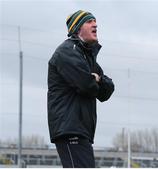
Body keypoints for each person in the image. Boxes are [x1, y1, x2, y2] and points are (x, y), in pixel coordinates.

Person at [47, 10, 114, 168]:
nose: (95, 24)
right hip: (70, 129)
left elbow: (107, 90)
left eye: (95, 21)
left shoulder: (86, 56)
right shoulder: (67, 52)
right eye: (89, 21)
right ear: (77, 28)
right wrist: (94, 80)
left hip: (80, 130)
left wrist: (96, 78)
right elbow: (86, 85)